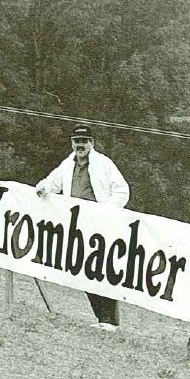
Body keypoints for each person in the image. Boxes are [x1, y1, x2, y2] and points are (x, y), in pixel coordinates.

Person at [36, 124, 130, 331]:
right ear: (72, 143)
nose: (80, 145)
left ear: (91, 143)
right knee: (84, 271)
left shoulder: (104, 163)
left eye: (84, 142)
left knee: (101, 270)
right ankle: (102, 318)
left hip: (100, 225)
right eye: (76, 141)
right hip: (77, 225)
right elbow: (53, 182)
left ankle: (110, 320)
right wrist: (43, 187)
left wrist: (106, 211)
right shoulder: (68, 164)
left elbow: (122, 191)